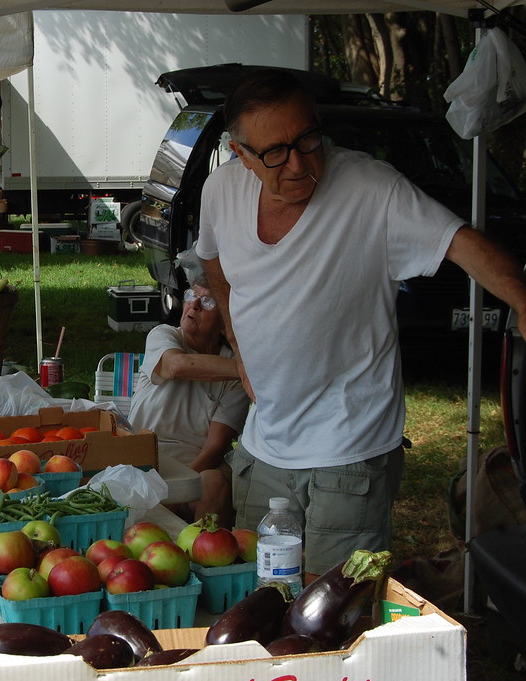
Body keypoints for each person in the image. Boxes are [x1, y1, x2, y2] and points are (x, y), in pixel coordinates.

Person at [195, 68, 526, 583]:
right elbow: (213, 262)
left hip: (349, 447)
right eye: (276, 152)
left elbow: (460, 243)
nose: (300, 163)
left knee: (337, 608)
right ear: (240, 154)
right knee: (259, 597)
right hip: (264, 444)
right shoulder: (220, 192)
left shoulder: (372, 189)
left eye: (308, 138)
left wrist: (523, 299)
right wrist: (237, 342)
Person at [128, 277, 249, 526]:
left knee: (214, 482)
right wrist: (252, 370)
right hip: (144, 461)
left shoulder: (233, 373)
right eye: (191, 296)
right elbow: (176, 366)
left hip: (195, 469)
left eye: (207, 301)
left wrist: (177, 490)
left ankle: (209, 557)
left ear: (226, 318)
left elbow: (216, 447)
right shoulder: (164, 335)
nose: (194, 306)